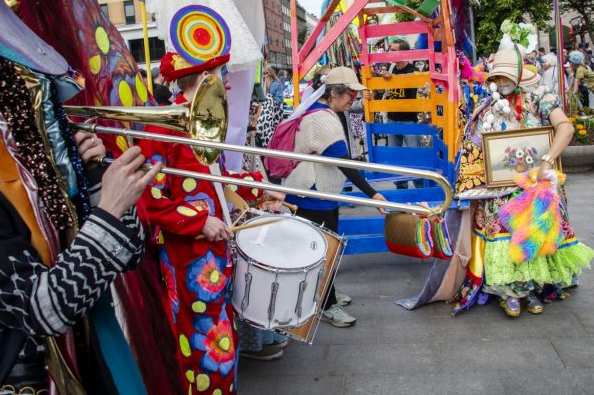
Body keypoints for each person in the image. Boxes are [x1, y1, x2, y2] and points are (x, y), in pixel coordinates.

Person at [0, 0, 162, 394]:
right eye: (27, 90)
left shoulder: (44, 172)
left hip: (103, 359)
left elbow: (129, 255)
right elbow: (45, 311)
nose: (47, 105)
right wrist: (107, 211)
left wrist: (97, 179)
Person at [407, 45, 594, 317]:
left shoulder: (541, 97)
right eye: (497, 78)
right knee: (505, 238)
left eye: (506, 77)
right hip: (501, 189)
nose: (501, 83)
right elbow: (476, 144)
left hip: (536, 185)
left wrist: (547, 160)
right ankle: (511, 292)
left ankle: (532, 288)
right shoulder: (489, 105)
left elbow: (565, 128)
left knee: (535, 234)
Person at [138, 46, 284, 391]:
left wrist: (258, 190)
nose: (228, 84)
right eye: (221, 76)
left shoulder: (205, 121)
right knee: (202, 341)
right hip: (188, 255)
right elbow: (149, 198)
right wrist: (198, 222)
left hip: (214, 251)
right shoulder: (165, 126)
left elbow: (217, 184)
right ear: (204, 79)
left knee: (219, 334)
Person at [282, 66, 387, 327]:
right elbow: (345, 162)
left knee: (325, 247)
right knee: (323, 249)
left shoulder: (320, 109)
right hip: (313, 192)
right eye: (351, 93)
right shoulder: (324, 119)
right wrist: (373, 194)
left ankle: (326, 291)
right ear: (335, 93)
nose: (354, 98)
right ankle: (326, 304)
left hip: (315, 190)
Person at [381, 38, 420, 189]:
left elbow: (417, 86)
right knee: (395, 158)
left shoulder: (413, 70)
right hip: (392, 119)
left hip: (409, 120)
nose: (390, 53)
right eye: (390, 50)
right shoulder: (390, 69)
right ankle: (401, 188)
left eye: (394, 50)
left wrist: (396, 79)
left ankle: (420, 190)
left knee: (414, 156)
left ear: (403, 53)